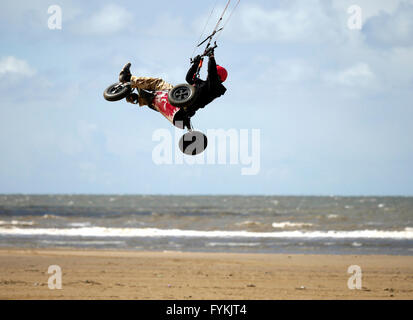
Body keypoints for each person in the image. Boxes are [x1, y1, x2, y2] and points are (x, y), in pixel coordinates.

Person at [118, 49, 227, 118]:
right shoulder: (203, 84)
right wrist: (196, 64)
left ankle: (128, 78)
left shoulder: (215, 89)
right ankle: (134, 97)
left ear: (217, 76)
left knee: (158, 83)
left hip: (183, 106)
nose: (208, 75)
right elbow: (189, 78)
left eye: (212, 73)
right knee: (153, 92)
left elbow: (212, 73)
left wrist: (211, 57)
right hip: (179, 100)